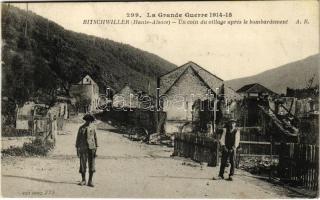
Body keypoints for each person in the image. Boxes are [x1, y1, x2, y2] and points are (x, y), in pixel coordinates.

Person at [76, 113, 98, 187]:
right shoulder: (81, 128)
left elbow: (95, 138)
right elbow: (78, 139)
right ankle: (83, 180)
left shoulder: (93, 128)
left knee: (92, 164)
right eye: (88, 120)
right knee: (82, 164)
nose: (89, 122)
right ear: (85, 120)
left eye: (90, 121)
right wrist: (77, 149)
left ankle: (90, 181)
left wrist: (96, 149)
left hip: (91, 148)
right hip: (83, 148)